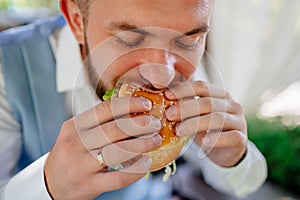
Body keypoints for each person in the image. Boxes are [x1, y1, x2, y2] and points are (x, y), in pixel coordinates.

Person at [0, 0, 267, 199]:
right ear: (76, 20)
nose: (162, 77)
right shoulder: (6, 67)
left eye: (188, 42)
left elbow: (245, 184)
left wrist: (233, 158)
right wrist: (47, 185)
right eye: (130, 39)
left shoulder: (181, 69)